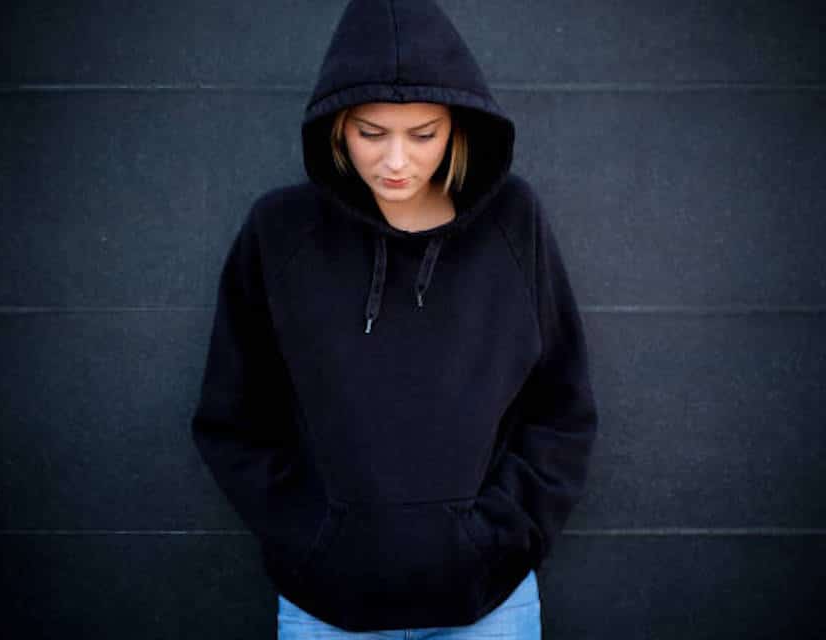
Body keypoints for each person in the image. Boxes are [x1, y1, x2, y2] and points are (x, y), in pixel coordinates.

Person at [190, 0, 598, 638]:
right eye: (371, 133)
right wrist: (314, 536)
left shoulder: (513, 223)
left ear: (459, 126)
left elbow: (561, 404)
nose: (397, 162)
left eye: (424, 134)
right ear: (336, 128)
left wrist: (495, 538)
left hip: (488, 607)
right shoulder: (280, 231)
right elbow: (233, 413)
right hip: (327, 607)